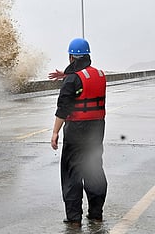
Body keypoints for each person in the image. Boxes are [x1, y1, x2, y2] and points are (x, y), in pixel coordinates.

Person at [49, 38, 108, 227]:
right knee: (93, 168)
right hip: (97, 129)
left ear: (71, 56)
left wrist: (55, 133)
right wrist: (67, 75)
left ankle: (74, 219)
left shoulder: (73, 79)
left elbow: (63, 108)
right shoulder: (100, 74)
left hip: (76, 131)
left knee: (72, 172)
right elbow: (84, 80)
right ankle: (96, 213)